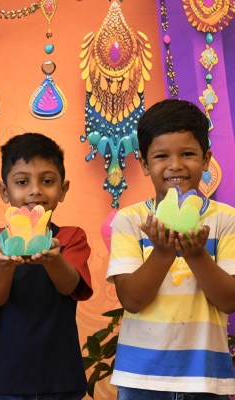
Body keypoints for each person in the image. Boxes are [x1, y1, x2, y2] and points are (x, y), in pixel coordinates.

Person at [106, 99, 235, 399]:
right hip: (141, 377)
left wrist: (196, 254)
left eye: (187, 154)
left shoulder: (225, 219)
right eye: (162, 155)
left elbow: (229, 301)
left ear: (206, 159)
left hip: (205, 377)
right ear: (144, 163)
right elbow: (132, 299)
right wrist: (163, 252)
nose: (175, 165)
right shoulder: (131, 220)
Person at [0, 132, 93, 400]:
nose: (35, 190)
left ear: (63, 189)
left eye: (47, 181)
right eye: (22, 182)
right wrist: (4, 265)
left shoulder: (71, 237)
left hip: (60, 378)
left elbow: (69, 287)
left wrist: (53, 259)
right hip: (3, 380)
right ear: (4, 191)